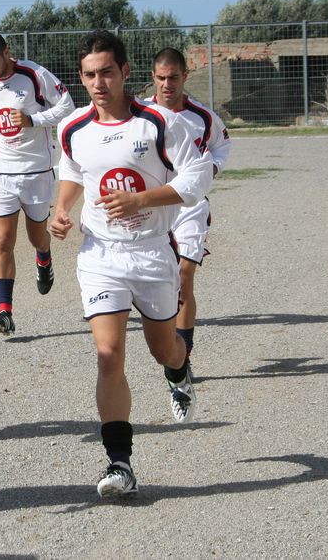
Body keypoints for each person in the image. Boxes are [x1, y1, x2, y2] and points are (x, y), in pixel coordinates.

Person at [50, 30, 212, 498]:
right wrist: (62, 209)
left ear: (124, 72)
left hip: (151, 251)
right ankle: (119, 463)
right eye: (89, 75)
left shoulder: (160, 123)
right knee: (108, 354)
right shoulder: (73, 128)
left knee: (164, 350)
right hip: (100, 254)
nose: (98, 83)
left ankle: (179, 371)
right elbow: (73, 170)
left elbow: (197, 177)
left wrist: (141, 199)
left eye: (106, 72)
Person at [0, 31, 75, 335]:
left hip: (36, 171)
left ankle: (44, 257)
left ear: (7, 52)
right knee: (3, 240)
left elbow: (67, 106)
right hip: (0, 172)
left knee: (37, 237)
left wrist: (34, 120)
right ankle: (4, 312)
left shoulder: (34, 75)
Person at [145, 48, 231, 361]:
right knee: (161, 283)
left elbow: (222, 145)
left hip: (189, 208)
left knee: (183, 277)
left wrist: (211, 170)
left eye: (173, 78)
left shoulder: (203, 117)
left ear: (185, 76)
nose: (167, 84)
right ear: (153, 77)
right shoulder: (140, 115)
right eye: (161, 78)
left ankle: (184, 356)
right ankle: (168, 340)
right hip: (153, 208)